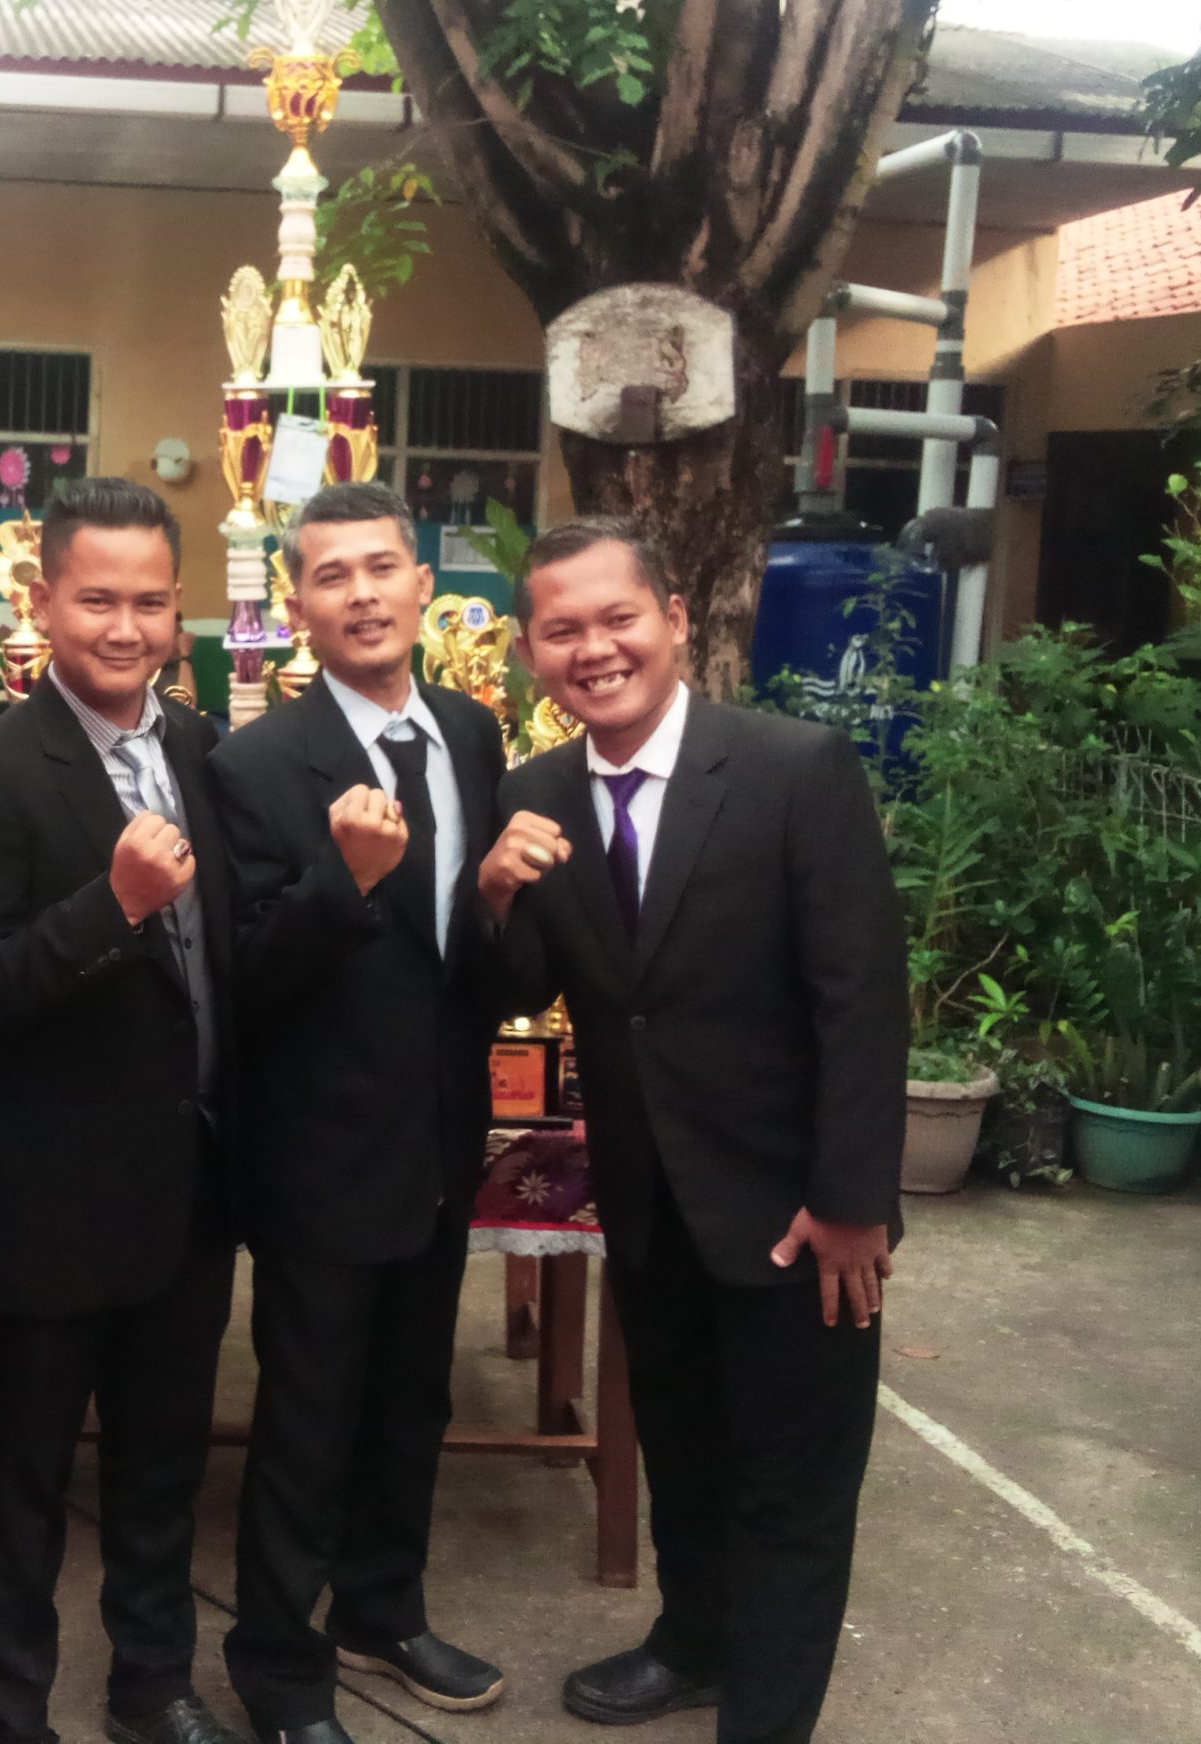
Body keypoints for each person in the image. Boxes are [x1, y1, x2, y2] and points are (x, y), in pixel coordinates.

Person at [480, 514, 906, 1744]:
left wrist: (851, 1202)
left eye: (618, 618)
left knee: (791, 1482)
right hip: (649, 1201)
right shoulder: (534, 795)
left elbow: (862, 999)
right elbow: (516, 987)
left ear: (672, 620)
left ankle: (763, 1718)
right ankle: (693, 1641)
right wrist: (495, 893)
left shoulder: (792, 769)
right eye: (562, 630)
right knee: (680, 1443)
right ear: (531, 652)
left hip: (794, 1209)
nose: (594, 649)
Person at [0, 475, 243, 1744]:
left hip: (187, 1186)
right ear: (43, 601)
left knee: (165, 1467)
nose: (125, 627)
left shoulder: (201, 752)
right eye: (97, 600)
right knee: (25, 1477)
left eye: (150, 602)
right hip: (50, 1204)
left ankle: (152, 1688)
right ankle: (10, 1713)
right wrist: (107, 907)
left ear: (181, 609)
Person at [208, 480, 510, 1744]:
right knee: (310, 1418)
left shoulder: (471, 733)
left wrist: (498, 900)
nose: (362, 595)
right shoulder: (253, 764)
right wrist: (344, 881)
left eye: (381, 568)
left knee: (412, 1400)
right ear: (297, 606)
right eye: (330, 576)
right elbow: (245, 974)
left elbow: (462, 960)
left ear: (422, 585)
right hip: (320, 1153)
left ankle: (383, 1605)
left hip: (439, 1136)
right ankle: (279, 1669)